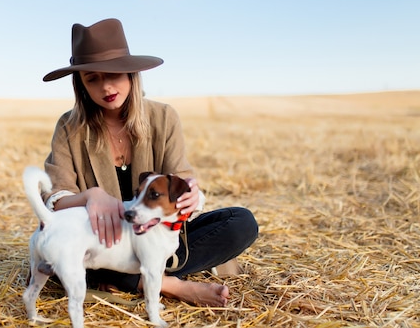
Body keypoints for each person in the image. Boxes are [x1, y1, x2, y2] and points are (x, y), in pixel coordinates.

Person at [39, 18, 258, 307]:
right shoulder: (70, 127)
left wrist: (191, 196)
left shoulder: (164, 117)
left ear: (131, 74)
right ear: (81, 84)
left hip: (159, 234)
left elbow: (181, 177)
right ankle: (170, 284)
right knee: (64, 248)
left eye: (113, 74)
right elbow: (55, 198)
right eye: (92, 78)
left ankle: (129, 277)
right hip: (105, 241)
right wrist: (91, 196)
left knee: (241, 222)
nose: (105, 87)